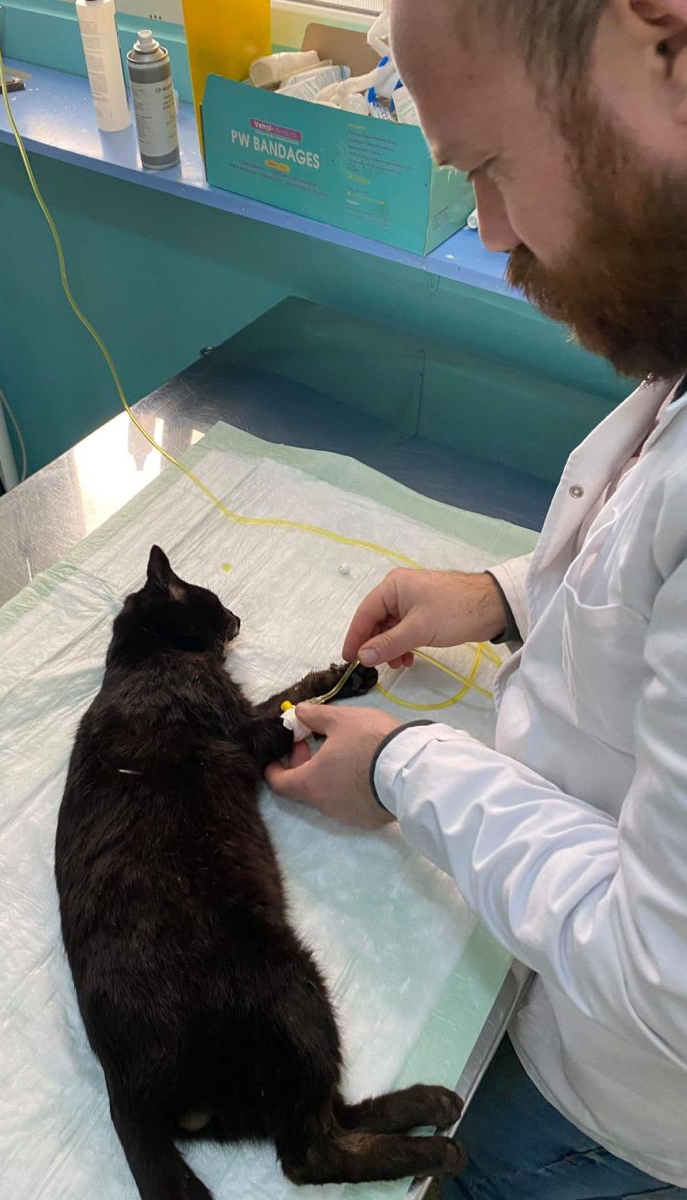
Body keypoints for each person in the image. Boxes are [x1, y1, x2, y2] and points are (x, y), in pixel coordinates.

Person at [267, 1, 687, 1196]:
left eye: (491, 166)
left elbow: (665, 977)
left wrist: (405, 769)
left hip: (604, 1114)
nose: (492, 233)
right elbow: (653, 574)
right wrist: (504, 597)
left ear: (669, 46)